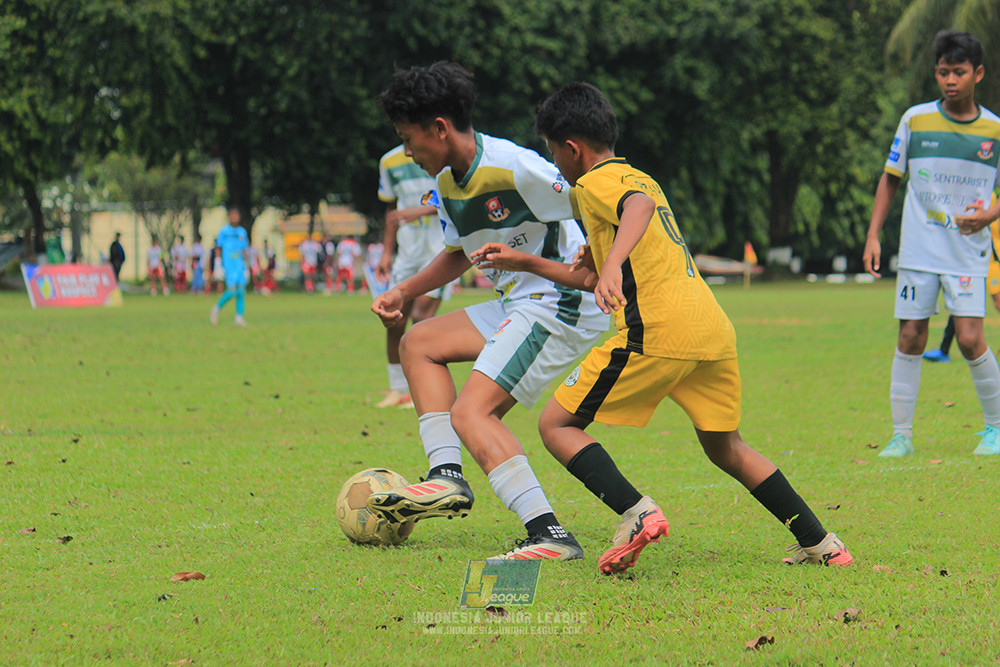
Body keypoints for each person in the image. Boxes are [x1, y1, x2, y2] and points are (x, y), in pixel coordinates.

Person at [472, 81, 852, 572]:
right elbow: (592, 273)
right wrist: (526, 261)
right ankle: (823, 544)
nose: (555, 163)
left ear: (572, 149)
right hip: (709, 329)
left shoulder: (594, 184)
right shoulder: (642, 176)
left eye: (552, 151)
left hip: (657, 330)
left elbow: (637, 209)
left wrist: (611, 267)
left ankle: (636, 513)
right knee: (727, 447)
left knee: (557, 425)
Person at [367, 62, 608, 560]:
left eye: (410, 140)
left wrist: (599, 259)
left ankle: (549, 536)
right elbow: (458, 253)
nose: (407, 153)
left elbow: (594, 200)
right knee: (419, 343)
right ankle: (446, 478)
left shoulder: (515, 166)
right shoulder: (449, 186)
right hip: (516, 303)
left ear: (440, 128)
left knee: (471, 413)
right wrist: (403, 292)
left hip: (560, 301)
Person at [863, 31, 1000, 457]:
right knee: (910, 336)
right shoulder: (915, 120)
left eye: (959, 72)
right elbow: (890, 178)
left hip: (966, 251)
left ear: (977, 73)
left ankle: (995, 429)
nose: (950, 80)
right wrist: (872, 235)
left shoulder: (994, 130)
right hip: (920, 249)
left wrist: (988, 215)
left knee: (971, 338)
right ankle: (901, 434)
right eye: (943, 72)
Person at [374, 143, 449, 408]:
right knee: (394, 319)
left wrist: (421, 209)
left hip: (441, 250)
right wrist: (387, 253)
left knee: (420, 319)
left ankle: (421, 392)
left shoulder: (444, 152)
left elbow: (454, 199)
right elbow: (392, 212)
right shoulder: (389, 161)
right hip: (407, 252)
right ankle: (398, 389)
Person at [926, 209, 1000, 362]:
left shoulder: (991, 199)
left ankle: (943, 351)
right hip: (976, 260)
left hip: (992, 261)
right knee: (961, 303)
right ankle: (943, 350)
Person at [210, 208, 250, 326]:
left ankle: (239, 318)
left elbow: (244, 249)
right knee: (232, 291)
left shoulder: (242, 232)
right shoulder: (224, 231)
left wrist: (247, 265)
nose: (234, 218)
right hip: (229, 264)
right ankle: (217, 308)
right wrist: (217, 262)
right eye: (232, 215)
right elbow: (219, 247)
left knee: (241, 292)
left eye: (236, 215)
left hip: (239, 265)